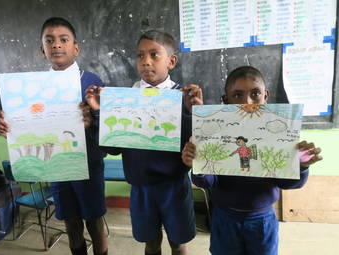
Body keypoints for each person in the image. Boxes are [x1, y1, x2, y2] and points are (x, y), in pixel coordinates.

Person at [0, 17, 108, 255]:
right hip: (56, 167)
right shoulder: (30, 87)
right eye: (50, 40)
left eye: (63, 40)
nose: (57, 45)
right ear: (42, 49)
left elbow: (107, 128)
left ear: (76, 48)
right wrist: (10, 129)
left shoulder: (92, 82)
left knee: (94, 221)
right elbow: (29, 126)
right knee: (70, 220)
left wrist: (90, 124)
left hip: (88, 165)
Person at [181, 66, 323, 255]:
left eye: (255, 93)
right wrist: (198, 164)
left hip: (262, 220)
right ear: (226, 101)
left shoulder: (278, 136)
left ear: (266, 96)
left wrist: (301, 165)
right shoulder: (217, 135)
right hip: (225, 218)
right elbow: (207, 182)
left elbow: (287, 183)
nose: (247, 102)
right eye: (237, 95)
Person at [85, 30, 203, 255]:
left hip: (174, 186)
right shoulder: (126, 98)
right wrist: (99, 114)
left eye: (154, 55)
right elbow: (112, 147)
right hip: (140, 188)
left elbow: (194, 145)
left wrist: (192, 112)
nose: (146, 61)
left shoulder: (182, 96)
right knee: (151, 242)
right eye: (140, 56)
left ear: (171, 61)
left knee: (178, 243)